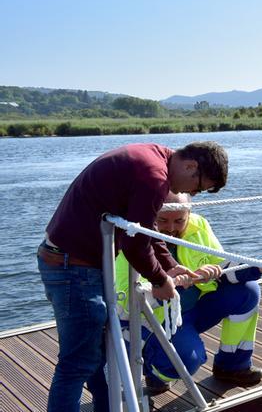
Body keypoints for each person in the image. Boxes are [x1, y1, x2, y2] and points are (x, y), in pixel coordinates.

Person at [38, 142, 228, 412]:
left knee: (94, 353)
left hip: (75, 263)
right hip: (73, 269)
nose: (192, 194)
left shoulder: (153, 156)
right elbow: (135, 244)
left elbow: (145, 231)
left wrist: (170, 265)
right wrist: (161, 281)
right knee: (77, 363)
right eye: (197, 187)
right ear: (191, 166)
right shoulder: (153, 176)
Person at [114, 192, 262, 394]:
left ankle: (231, 365)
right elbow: (125, 305)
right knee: (187, 359)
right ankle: (154, 371)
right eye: (163, 220)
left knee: (247, 291)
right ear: (151, 216)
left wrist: (260, 267)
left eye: (179, 220)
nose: (171, 229)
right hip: (157, 322)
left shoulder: (198, 226)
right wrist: (167, 283)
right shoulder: (133, 240)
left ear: (189, 215)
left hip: (195, 309)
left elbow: (223, 266)